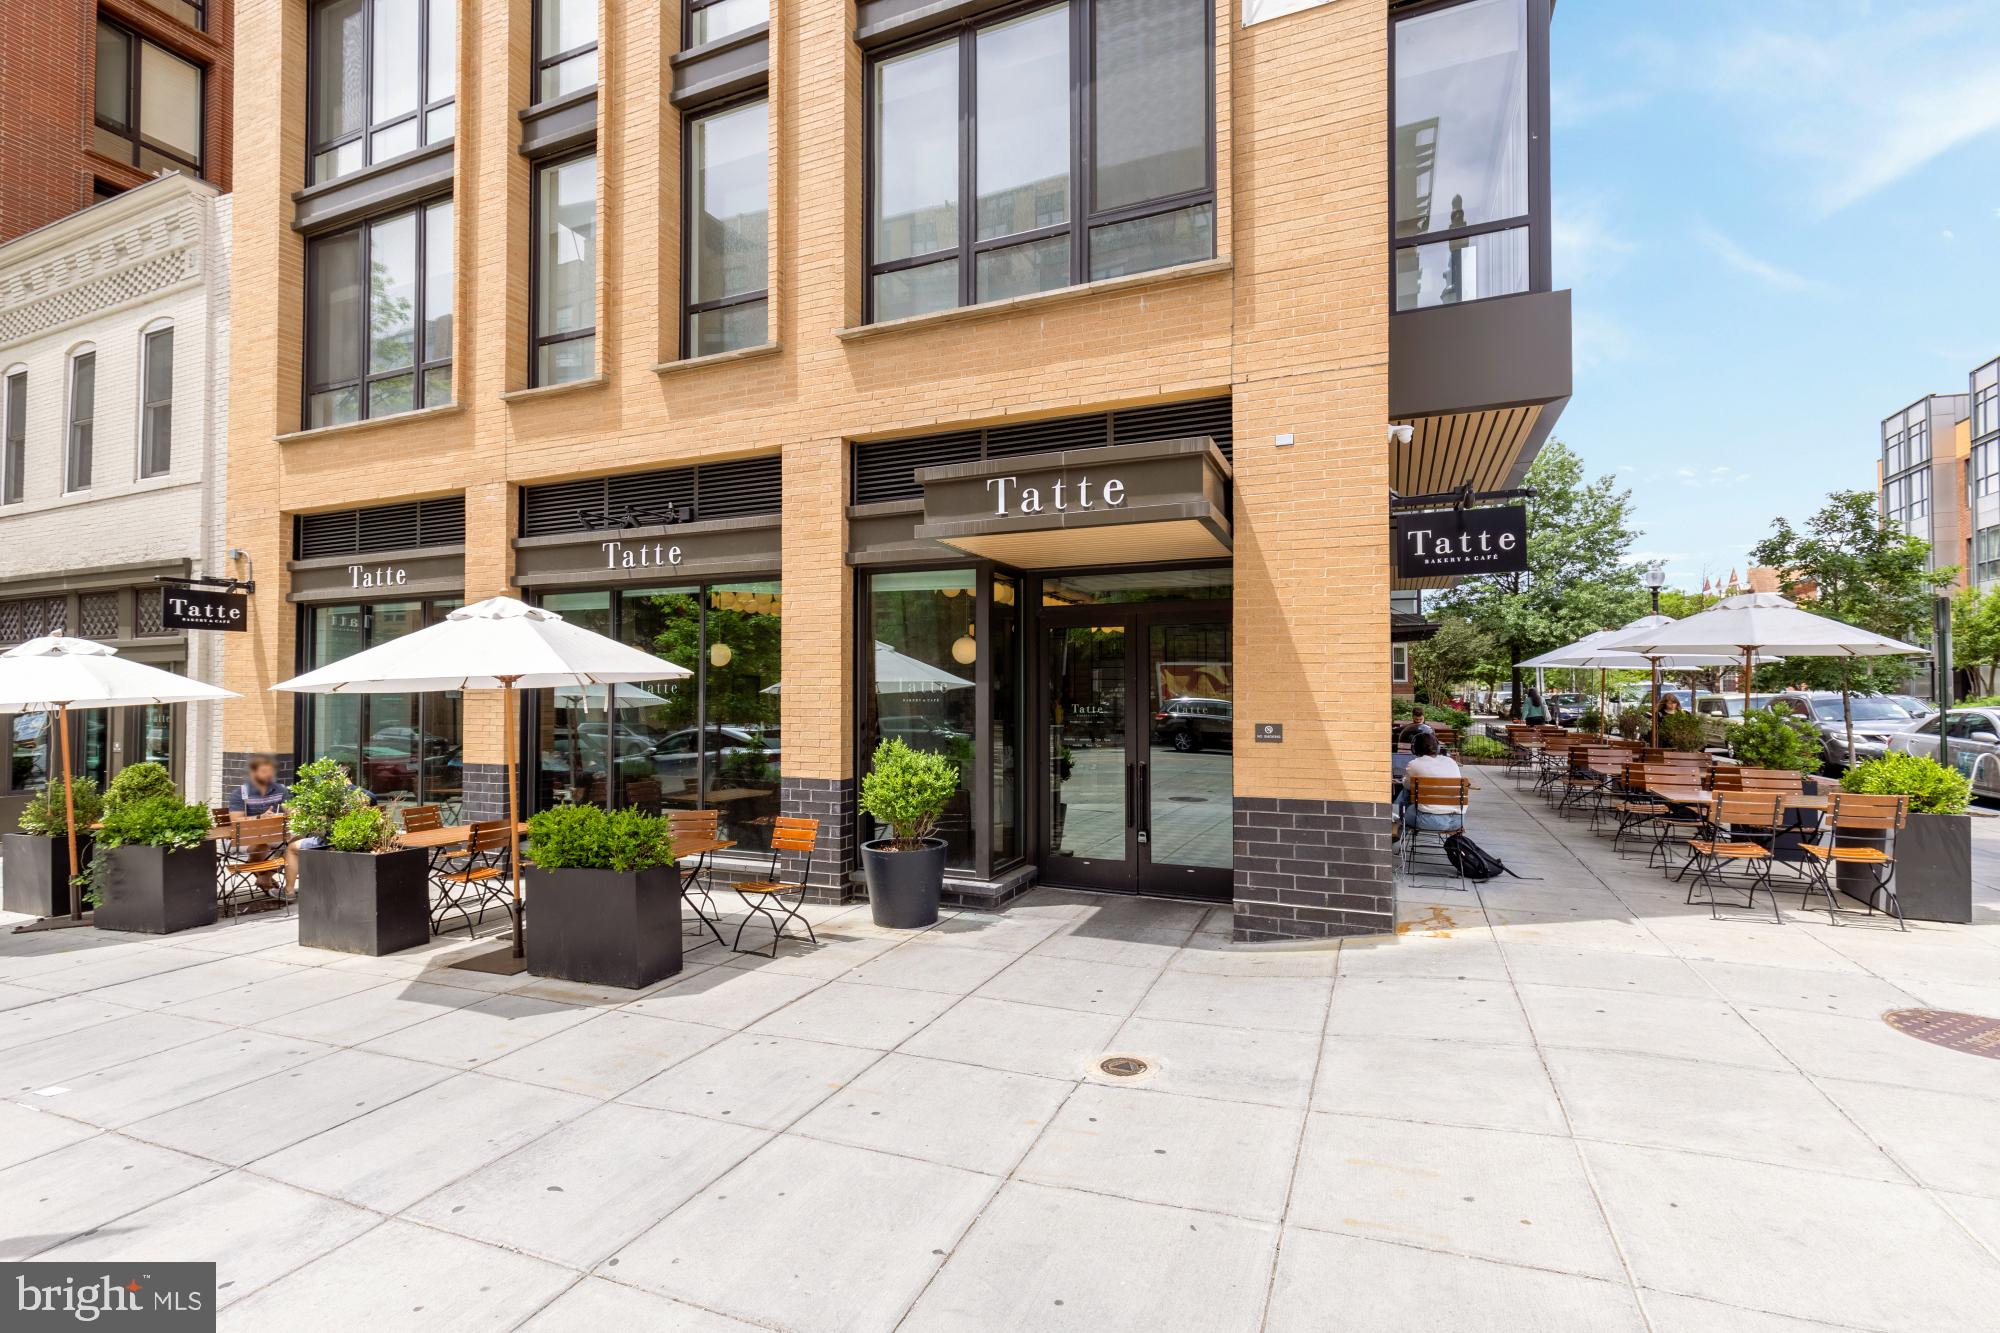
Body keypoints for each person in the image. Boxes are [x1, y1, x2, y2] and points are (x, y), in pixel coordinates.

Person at [225, 755, 290, 895]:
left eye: (271, 771)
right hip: (248, 838)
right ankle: (263, 876)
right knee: (260, 846)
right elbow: (236, 821)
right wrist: (260, 817)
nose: (269, 775)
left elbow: (290, 810)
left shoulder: (280, 790)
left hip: (274, 835)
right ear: (253, 773)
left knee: (298, 843)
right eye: (264, 771)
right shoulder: (240, 794)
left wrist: (292, 812)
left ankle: (265, 876)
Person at [1392, 731, 1464, 842]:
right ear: (1438, 747)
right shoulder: (1451, 762)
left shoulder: (1415, 764)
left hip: (1427, 821)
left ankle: (1399, 826)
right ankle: (1400, 826)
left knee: (1407, 792)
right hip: (1457, 821)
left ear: (1415, 748)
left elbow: (1406, 784)